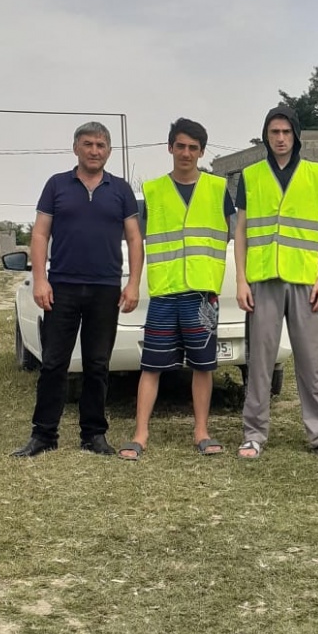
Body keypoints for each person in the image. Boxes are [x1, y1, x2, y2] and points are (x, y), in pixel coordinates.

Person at [11, 122, 142, 457]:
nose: (94, 151)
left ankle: (94, 435)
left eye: (100, 145)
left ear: (108, 151)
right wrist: (40, 279)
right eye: (88, 144)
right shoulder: (56, 185)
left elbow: (134, 238)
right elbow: (40, 234)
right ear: (76, 148)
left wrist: (133, 284)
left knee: (98, 364)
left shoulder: (121, 189)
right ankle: (43, 435)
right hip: (62, 287)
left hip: (105, 289)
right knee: (54, 363)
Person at [118, 118, 235, 460]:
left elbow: (236, 237)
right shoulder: (153, 192)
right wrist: (133, 284)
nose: (186, 153)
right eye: (180, 146)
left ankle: (201, 431)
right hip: (165, 292)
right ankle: (140, 434)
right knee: (151, 365)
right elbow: (136, 242)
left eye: (193, 148)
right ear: (170, 147)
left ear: (202, 152)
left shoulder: (218, 189)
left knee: (203, 365)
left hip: (202, 295)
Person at [235, 104, 318, 458]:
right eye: (274, 132)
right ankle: (253, 433)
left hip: (305, 281)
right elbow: (241, 231)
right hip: (263, 281)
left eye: (286, 132)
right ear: (266, 136)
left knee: (311, 361)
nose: (280, 138)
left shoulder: (314, 174)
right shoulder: (250, 176)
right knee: (260, 362)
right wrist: (241, 280)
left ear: (296, 135)